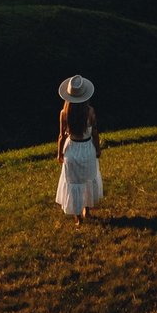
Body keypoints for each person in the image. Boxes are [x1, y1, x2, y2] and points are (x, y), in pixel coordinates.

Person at [54, 75, 103, 222]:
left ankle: (77, 218)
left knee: (74, 183)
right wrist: (98, 148)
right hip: (87, 148)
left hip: (72, 150)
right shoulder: (90, 112)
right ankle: (86, 211)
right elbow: (94, 132)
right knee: (87, 180)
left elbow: (61, 136)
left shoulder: (64, 114)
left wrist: (59, 153)